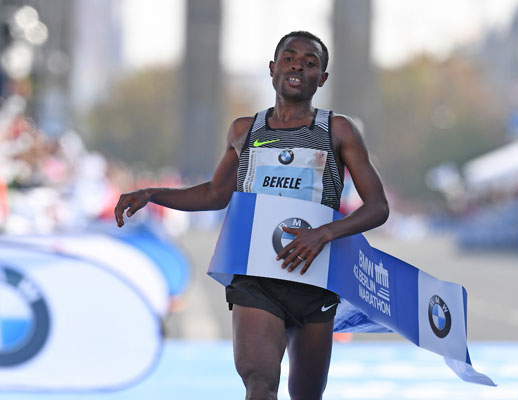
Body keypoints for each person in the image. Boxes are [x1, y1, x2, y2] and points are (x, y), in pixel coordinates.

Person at [114, 31, 389, 400]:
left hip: (315, 277)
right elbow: (215, 193)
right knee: (259, 383)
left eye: (310, 63)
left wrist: (322, 234)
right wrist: (152, 193)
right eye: (290, 58)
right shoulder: (245, 131)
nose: (298, 66)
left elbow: (378, 207)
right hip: (255, 276)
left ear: (322, 78)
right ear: (273, 69)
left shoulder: (337, 131)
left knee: (306, 395)